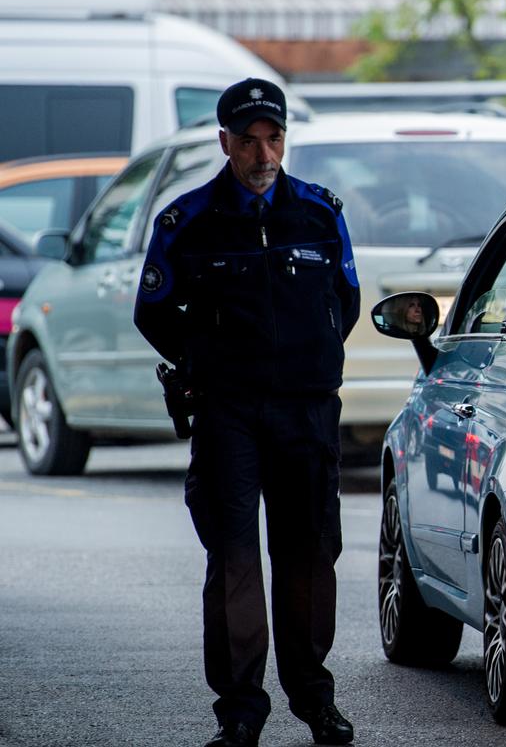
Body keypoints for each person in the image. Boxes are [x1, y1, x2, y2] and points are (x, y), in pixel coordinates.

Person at [134, 78, 359, 747]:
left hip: (306, 412)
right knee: (233, 560)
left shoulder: (321, 214)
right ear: (225, 142)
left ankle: (314, 700)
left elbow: (344, 303)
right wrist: (204, 365)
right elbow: (153, 310)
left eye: (274, 138)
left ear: (284, 139)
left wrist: (303, 361)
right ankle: (240, 712)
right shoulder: (186, 221)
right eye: (251, 140)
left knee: (309, 556)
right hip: (228, 413)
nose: (264, 153)